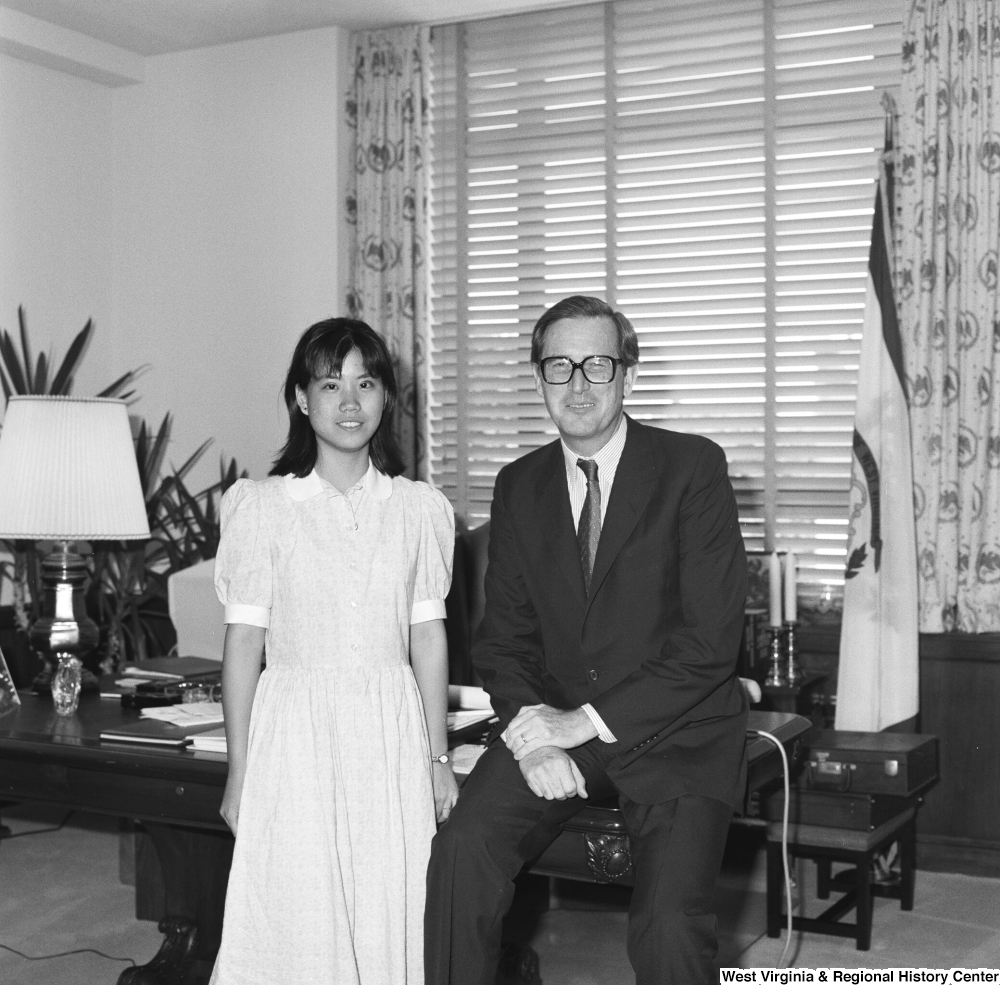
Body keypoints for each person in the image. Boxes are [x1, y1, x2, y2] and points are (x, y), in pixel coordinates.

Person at [425, 295, 749, 985]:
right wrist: (535, 734)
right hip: (555, 723)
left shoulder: (693, 468)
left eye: (596, 364)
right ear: (539, 380)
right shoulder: (518, 487)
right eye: (558, 366)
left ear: (628, 376)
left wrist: (580, 722)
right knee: (460, 852)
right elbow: (502, 644)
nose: (577, 384)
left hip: (677, 734)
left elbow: (710, 643)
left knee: (667, 928)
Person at [210, 318, 458, 985]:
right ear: (300, 398)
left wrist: (437, 758)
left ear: (385, 398)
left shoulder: (416, 508)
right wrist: (240, 770)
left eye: (366, 383)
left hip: (389, 727)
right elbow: (244, 644)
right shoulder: (262, 507)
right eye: (330, 383)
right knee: (294, 899)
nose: (349, 402)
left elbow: (427, 637)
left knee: (389, 898)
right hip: (295, 730)